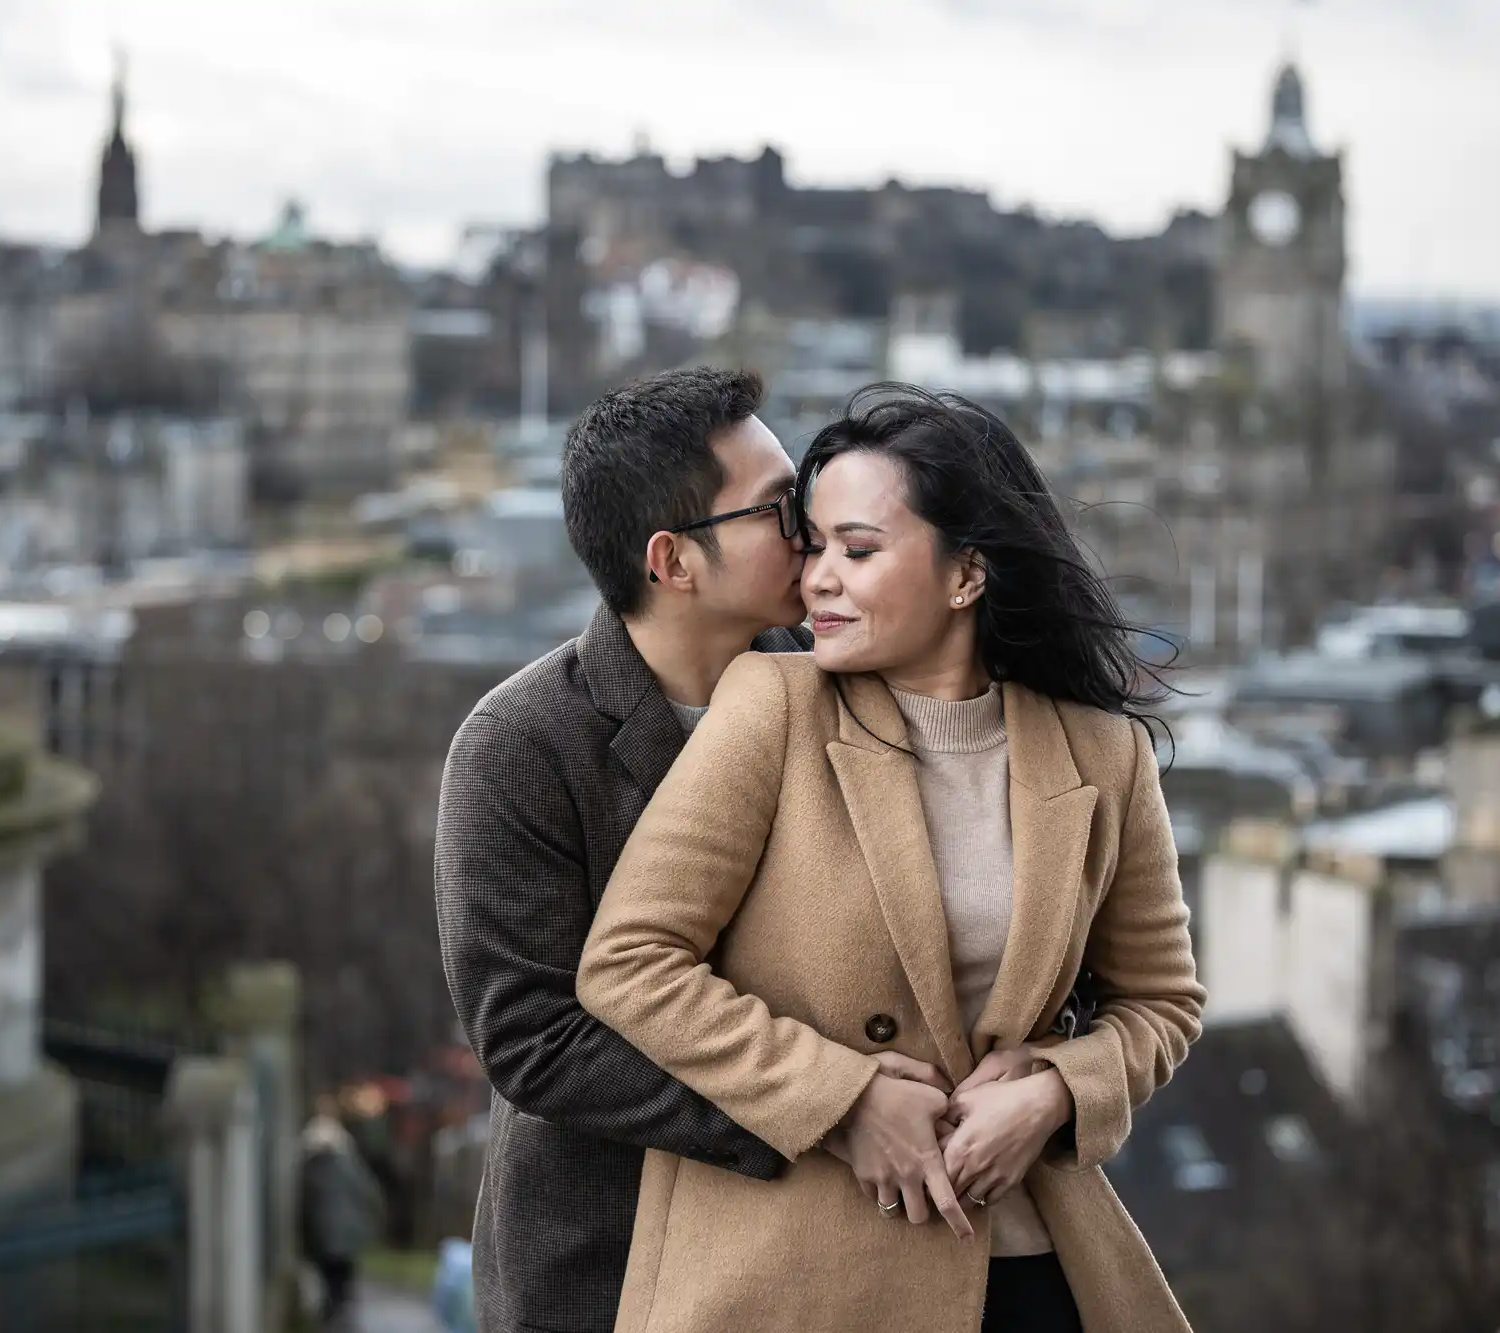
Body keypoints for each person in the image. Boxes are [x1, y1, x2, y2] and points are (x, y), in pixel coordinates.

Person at [577, 385, 1207, 1333]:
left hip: (1028, 1267)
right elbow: (628, 964)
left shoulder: (1101, 755)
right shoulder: (772, 707)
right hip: (793, 1279)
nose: (817, 577)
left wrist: (1057, 1091)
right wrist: (839, 1096)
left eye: (858, 550)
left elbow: (1163, 1003)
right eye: (816, 542)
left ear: (967, 575)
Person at [434, 368, 814, 1333]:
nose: (809, 524)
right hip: (601, 1261)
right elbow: (532, 1036)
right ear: (674, 561)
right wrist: (809, 1107)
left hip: (812, 1256)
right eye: (777, 508)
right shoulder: (518, 744)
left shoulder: (834, 692)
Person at [299, 1096, 379, 1326]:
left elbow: (304, 1201)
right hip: (348, 1233)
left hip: (320, 1234)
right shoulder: (347, 1158)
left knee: (328, 1277)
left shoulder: (307, 1162)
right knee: (343, 1277)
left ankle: (331, 1314)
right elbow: (366, 1190)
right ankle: (341, 1314)